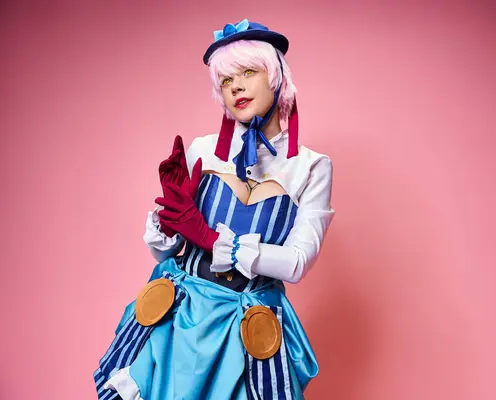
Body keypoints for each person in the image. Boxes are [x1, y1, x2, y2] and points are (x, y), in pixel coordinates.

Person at [94, 19, 335, 400]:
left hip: (246, 325)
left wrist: (215, 240)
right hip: (181, 320)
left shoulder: (311, 166)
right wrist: (171, 227)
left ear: (276, 77)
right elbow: (167, 249)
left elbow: (298, 262)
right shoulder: (202, 149)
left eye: (248, 72)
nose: (235, 85)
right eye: (225, 80)